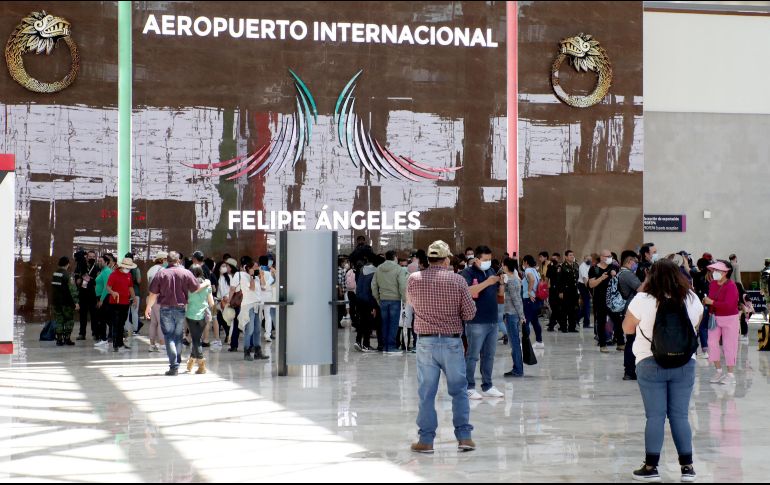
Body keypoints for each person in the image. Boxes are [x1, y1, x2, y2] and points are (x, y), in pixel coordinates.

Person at [622, 259, 703, 483]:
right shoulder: (691, 298)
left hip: (650, 363)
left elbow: (627, 328)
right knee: (680, 415)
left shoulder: (642, 299)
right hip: (685, 364)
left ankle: (651, 467)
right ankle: (687, 468)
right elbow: (696, 326)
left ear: (651, 275)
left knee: (655, 416)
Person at [408, 240, 477, 454]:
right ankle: (464, 438)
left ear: (428, 260)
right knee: (459, 391)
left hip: (426, 342)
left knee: (426, 393)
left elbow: (411, 304)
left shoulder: (414, 279)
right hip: (452, 342)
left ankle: (426, 441)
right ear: (446, 259)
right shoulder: (457, 280)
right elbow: (469, 313)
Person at [145, 251, 208, 375]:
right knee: (178, 336)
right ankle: (177, 362)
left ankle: (174, 366)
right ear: (179, 260)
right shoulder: (186, 272)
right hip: (180, 309)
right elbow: (195, 288)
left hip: (165, 309)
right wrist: (207, 283)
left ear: (167, 261)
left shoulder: (161, 273)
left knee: (169, 337)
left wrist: (148, 307)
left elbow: (153, 294)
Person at [462, 245, 505, 400]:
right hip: (476, 320)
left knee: (489, 355)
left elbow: (499, 296)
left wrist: (500, 283)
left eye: (490, 259)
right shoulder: (467, 272)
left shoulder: (492, 271)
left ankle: (487, 385)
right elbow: (469, 291)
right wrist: (488, 282)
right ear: (477, 259)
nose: (488, 262)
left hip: (492, 319)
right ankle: (469, 386)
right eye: (485, 260)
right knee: (472, 355)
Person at [704, 260, 740, 386]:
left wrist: (711, 303)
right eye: (714, 270)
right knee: (712, 343)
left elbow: (729, 305)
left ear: (725, 272)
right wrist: (708, 303)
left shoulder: (731, 286)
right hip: (714, 318)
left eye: (718, 270)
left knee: (729, 345)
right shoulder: (713, 284)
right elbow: (711, 298)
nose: (714, 272)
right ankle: (718, 370)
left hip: (730, 318)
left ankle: (730, 374)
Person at [229, 256, 268, 361]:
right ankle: (246, 352)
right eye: (254, 266)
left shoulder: (256, 276)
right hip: (248, 306)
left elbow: (264, 286)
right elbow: (252, 288)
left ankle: (258, 352)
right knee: (249, 330)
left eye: (257, 266)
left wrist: (261, 276)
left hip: (257, 305)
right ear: (248, 267)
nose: (256, 268)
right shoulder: (243, 276)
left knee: (257, 330)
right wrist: (251, 276)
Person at [372, 250, 408, 354]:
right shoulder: (399, 269)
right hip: (395, 300)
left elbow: (373, 285)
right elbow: (402, 285)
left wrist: (377, 298)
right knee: (393, 324)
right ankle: (391, 347)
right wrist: (404, 299)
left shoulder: (378, 268)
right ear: (395, 257)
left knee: (384, 324)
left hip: (383, 300)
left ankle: (384, 347)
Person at [589, 249, 623, 353]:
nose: (609, 258)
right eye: (607, 256)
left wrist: (615, 275)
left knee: (617, 321)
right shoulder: (594, 269)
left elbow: (620, 281)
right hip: (600, 299)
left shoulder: (614, 267)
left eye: (610, 256)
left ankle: (621, 343)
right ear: (602, 257)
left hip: (613, 299)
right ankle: (603, 345)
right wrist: (601, 278)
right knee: (601, 322)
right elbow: (591, 284)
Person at [617, 250, 642, 380]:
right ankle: (630, 371)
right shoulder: (627, 274)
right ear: (629, 261)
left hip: (628, 311)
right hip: (631, 311)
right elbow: (641, 289)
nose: (636, 264)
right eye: (635, 262)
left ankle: (630, 370)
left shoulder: (623, 273)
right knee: (632, 341)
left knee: (631, 341)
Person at [185, 265, 215, 375]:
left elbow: (186, 300)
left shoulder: (188, 285)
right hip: (203, 315)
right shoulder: (207, 285)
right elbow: (211, 302)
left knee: (196, 340)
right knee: (196, 338)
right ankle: (191, 361)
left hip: (191, 315)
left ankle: (201, 364)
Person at [106, 257, 137, 352]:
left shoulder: (129, 275)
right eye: (126, 267)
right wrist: (113, 292)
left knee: (122, 323)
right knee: (116, 323)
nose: (128, 269)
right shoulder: (114, 275)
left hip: (125, 302)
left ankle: (120, 343)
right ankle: (115, 344)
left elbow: (130, 287)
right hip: (115, 303)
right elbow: (108, 287)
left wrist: (134, 297)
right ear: (122, 266)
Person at [502, 258, 525, 378]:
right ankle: (517, 368)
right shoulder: (516, 280)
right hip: (514, 314)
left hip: (511, 314)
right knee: (515, 342)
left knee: (514, 343)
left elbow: (516, 300)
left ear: (506, 266)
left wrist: (521, 315)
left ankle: (518, 369)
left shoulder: (511, 281)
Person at [51, 256, 80, 346]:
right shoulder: (68, 275)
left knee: (59, 320)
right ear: (68, 264)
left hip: (56, 301)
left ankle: (59, 340)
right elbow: (72, 290)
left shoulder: (55, 274)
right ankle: (67, 339)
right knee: (69, 320)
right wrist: (75, 303)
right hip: (66, 302)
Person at [74, 250, 99, 341]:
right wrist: (79, 280)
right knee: (83, 315)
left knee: (94, 315)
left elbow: (98, 280)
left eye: (93, 256)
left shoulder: (97, 267)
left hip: (93, 294)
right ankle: (82, 333)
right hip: (83, 294)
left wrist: (89, 279)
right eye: (90, 256)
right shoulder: (80, 266)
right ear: (87, 257)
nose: (91, 258)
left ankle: (95, 333)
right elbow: (76, 279)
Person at [354, 258, 378, 352]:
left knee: (361, 321)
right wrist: (373, 306)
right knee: (368, 323)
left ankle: (358, 340)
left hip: (359, 299)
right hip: (368, 301)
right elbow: (372, 290)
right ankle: (366, 345)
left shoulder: (361, 272)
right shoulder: (374, 273)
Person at [146, 251, 168, 352]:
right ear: (162, 260)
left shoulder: (150, 270)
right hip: (160, 297)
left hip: (150, 297)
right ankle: (162, 344)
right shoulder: (163, 270)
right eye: (166, 259)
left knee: (153, 322)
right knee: (161, 322)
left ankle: (151, 344)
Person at [521, 255, 544, 348]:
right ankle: (539, 341)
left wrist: (529, 292)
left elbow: (532, 279)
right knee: (535, 321)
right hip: (536, 299)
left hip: (529, 299)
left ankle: (526, 343)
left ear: (526, 262)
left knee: (526, 321)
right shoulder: (535, 270)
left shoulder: (528, 270)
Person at [557, 250, 580, 333]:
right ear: (566, 257)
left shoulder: (576, 265)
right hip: (565, 291)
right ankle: (563, 327)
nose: (572, 256)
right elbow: (559, 280)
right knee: (564, 310)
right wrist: (560, 292)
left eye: (573, 255)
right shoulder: (562, 267)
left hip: (574, 291)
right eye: (570, 255)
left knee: (573, 309)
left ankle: (572, 327)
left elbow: (576, 279)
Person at [94, 255, 114, 347]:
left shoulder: (106, 271)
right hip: (101, 297)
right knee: (105, 319)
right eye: (98, 261)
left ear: (106, 262)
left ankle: (104, 338)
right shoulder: (102, 271)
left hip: (105, 297)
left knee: (103, 319)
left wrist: (101, 300)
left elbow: (107, 287)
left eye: (101, 261)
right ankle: (109, 337)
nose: (99, 262)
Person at [123, 253, 142, 336]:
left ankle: (126, 330)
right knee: (135, 312)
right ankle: (135, 330)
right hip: (136, 292)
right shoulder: (136, 269)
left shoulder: (123, 269)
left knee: (126, 313)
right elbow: (139, 281)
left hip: (125, 292)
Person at [546, 252, 562, 332]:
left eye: (555, 258)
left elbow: (561, 280)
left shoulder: (560, 267)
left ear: (558, 258)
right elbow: (547, 278)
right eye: (552, 258)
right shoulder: (550, 267)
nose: (553, 260)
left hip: (558, 290)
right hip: (552, 290)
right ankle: (561, 324)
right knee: (554, 307)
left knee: (556, 308)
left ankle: (552, 325)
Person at [578, 255, 593, 328]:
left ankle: (577, 319)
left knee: (586, 306)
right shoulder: (582, 266)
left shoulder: (589, 266)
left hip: (587, 285)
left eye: (590, 259)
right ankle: (586, 323)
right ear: (584, 259)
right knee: (587, 305)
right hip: (584, 286)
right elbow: (585, 279)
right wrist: (589, 290)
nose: (589, 260)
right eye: (588, 259)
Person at [761, 258, 770, 323]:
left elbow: (761, 281)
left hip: (766, 289)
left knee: (768, 302)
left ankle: (765, 312)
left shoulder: (763, 271)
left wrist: (761, 289)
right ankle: (766, 313)